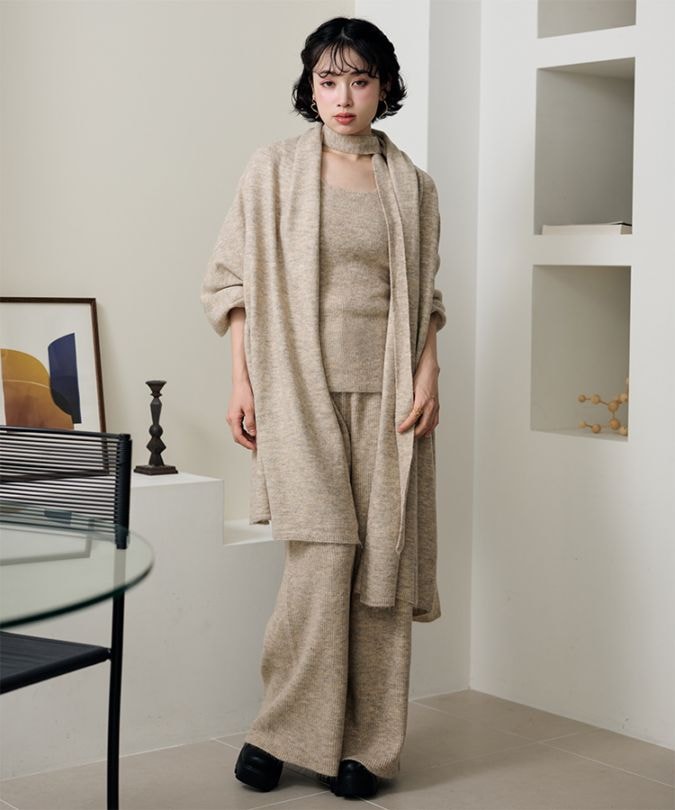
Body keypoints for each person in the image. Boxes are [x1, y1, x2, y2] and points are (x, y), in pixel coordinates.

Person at [201, 16, 446, 801]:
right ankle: (280, 731)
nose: (343, 97)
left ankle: (368, 750)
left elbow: (425, 298)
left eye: (359, 80)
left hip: (391, 398)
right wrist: (241, 382)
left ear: (384, 87)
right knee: (321, 562)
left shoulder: (412, 185)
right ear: (310, 87)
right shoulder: (273, 170)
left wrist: (429, 373)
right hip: (295, 389)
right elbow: (231, 280)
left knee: (381, 571)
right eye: (328, 80)